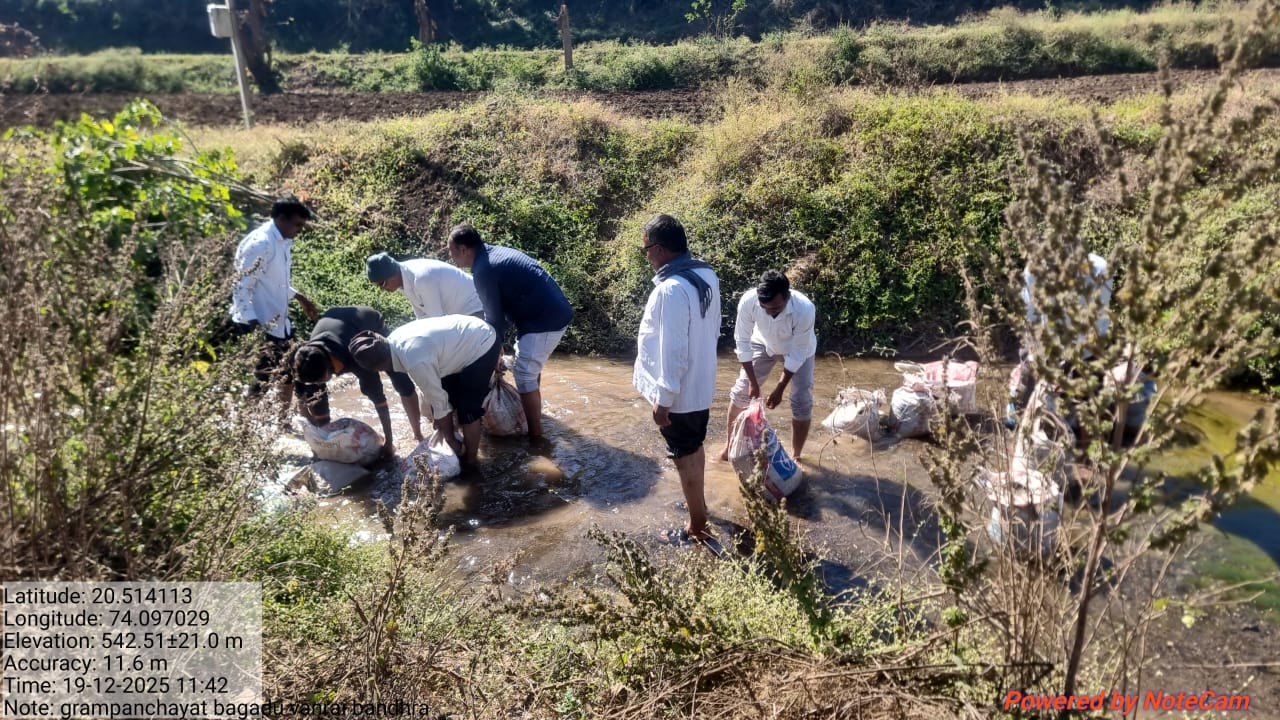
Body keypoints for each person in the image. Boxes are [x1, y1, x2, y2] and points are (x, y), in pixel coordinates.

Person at [633, 213, 721, 542]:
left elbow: (674, 350)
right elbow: (710, 331)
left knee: (684, 457)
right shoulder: (705, 274)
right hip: (700, 383)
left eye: (645, 250)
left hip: (680, 392)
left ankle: (697, 527)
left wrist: (663, 399)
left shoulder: (671, 289)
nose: (646, 258)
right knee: (693, 448)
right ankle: (698, 506)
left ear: (659, 250)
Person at [445, 223, 574, 441]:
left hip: (544, 320)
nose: (451, 258)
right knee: (527, 366)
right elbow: (498, 316)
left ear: (463, 249)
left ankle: (536, 437)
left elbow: (494, 319)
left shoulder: (483, 270)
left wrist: (491, 352)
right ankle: (533, 414)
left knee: (524, 373)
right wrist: (496, 346)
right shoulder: (491, 255)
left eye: (451, 252)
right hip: (546, 314)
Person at [348, 316, 500, 466]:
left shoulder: (415, 360)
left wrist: (449, 439)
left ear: (378, 368)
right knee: (451, 400)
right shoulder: (394, 343)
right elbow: (436, 394)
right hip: (462, 342)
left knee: (468, 409)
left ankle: (471, 460)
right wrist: (440, 423)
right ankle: (462, 442)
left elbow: (438, 400)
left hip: (482, 343)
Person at [292, 306, 423, 455]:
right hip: (335, 326)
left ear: (328, 370)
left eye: (318, 382)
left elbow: (379, 400)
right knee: (316, 399)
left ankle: (418, 434)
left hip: (370, 324)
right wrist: (325, 441)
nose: (315, 385)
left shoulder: (358, 357)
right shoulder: (305, 362)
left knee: (401, 381)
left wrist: (389, 442)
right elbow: (310, 402)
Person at [228, 196, 319, 409]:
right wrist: (254, 325)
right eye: (297, 224)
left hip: (278, 320)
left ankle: (282, 421)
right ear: (281, 218)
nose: (299, 229)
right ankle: (244, 426)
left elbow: (274, 283)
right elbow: (241, 286)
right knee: (264, 376)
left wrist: (299, 297)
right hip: (260, 322)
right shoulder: (261, 243)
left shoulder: (283, 241)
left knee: (288, 370)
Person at [719, 270, 817, 460]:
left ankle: (796, 456)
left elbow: (798, 353)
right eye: (765, 308)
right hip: (762, 343)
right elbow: (742, 342)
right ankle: (729, 448)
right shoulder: (749, 301)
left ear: (787, 296)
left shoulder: (804, 309)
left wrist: (780, 388)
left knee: (801, 400)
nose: (769, 312)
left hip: (798, 349)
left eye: (775, 308)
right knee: (741, 392)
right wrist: (754, 384)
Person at [365, 251, 484, 319]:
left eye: (382, 283)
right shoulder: (403, 281)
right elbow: (422, 317)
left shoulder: (421, 279)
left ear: (391, 274)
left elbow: (438, 321)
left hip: (476, 308)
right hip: (460, 314)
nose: (382, 289)